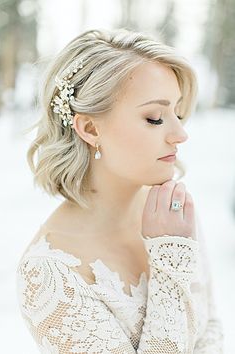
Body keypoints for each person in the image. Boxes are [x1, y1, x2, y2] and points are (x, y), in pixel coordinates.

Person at [16, 27, 224, 353]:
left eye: (178, 112)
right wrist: (170, 262)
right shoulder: (50, 275)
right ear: (89, 128)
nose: (180, 133)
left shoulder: (171, 211)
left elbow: (211, 331)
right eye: (155, 118)